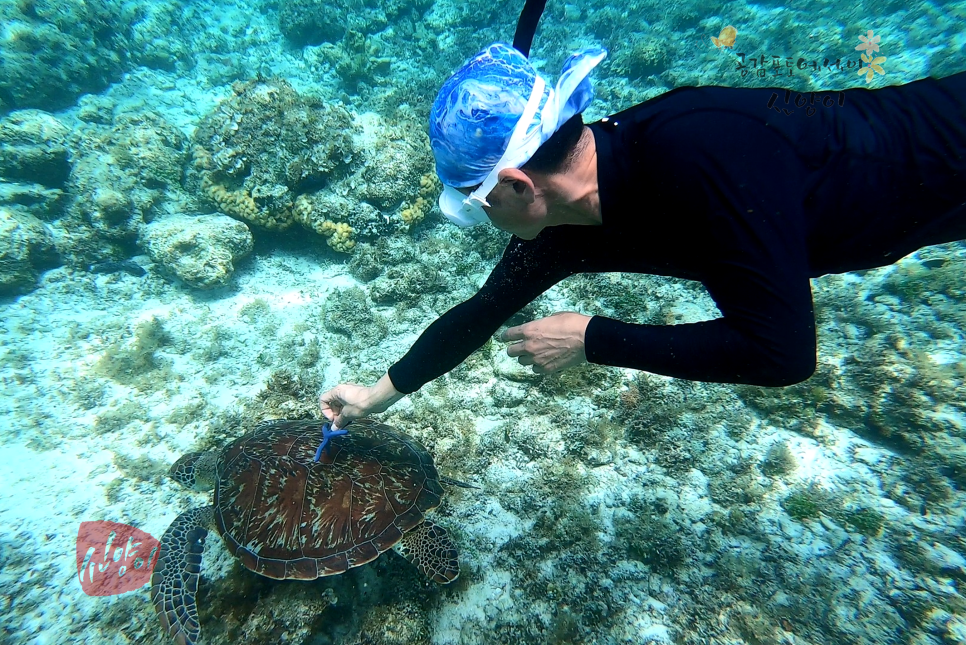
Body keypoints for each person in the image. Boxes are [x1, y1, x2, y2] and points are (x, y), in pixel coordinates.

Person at [320, 41, 966, 430]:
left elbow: (783, 352)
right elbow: (485, 309)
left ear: (518, 185)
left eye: (475, 204)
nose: (482, 220)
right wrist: (378, 395)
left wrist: (591, 339)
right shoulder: (563, 224)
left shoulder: (699, 156)